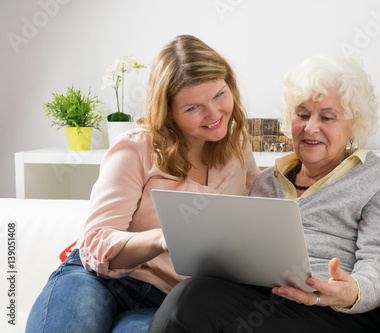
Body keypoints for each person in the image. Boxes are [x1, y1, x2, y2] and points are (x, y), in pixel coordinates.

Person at [148, 54, 380, 332]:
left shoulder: (378, 176)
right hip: (266, 302)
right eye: (302, 114)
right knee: (191, 292)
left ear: (354, 124)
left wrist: (351, 291)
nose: (310, 127)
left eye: (327, 117)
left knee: (190, 300)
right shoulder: (267, 180)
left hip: (335, 310)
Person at [26, 34, 260, 333]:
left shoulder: (239, 145)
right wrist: (164, 238)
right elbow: (95, 242)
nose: (214, 114)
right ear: (169, 113)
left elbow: (256, 218)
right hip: (94, 280)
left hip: (166, 301)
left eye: (219, 95)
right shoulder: (137, 148)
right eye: (193, 108)